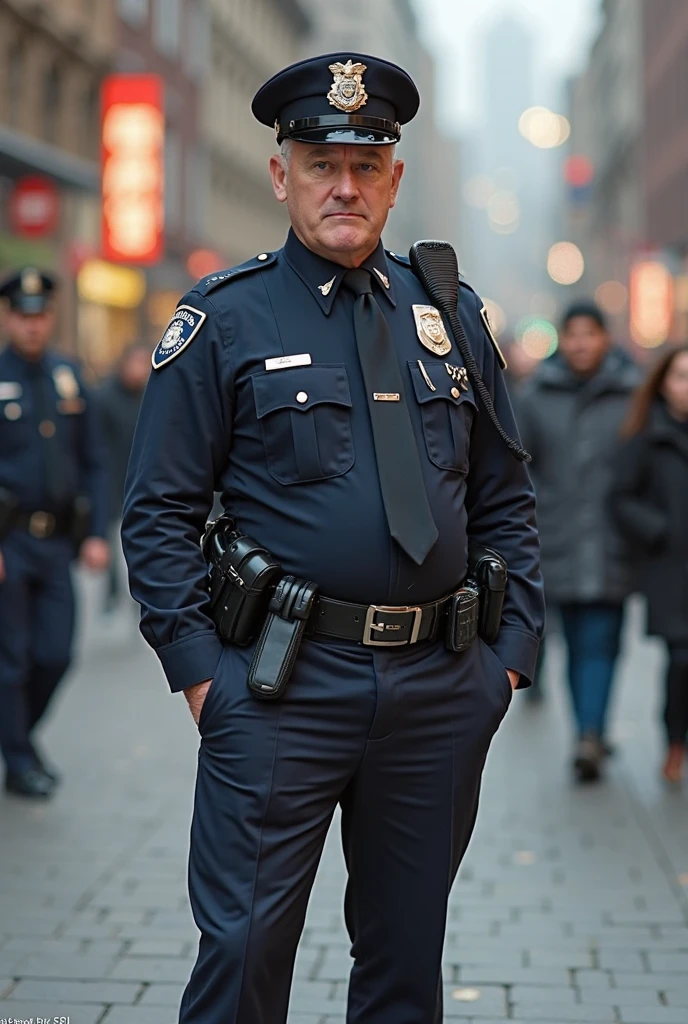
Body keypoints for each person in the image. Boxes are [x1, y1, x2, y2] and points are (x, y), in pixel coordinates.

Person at [122, 53, 543, 1024]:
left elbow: (504, 490)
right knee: (241, 950)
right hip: (277, 686)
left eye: (364, 165)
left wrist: (506, 662)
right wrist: (201, 678)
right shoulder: (224, 319)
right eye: (319, 163)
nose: (342, 186)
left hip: (440, 687)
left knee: (405, 960)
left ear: (394, 178)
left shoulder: (450, 314)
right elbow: (156, 511)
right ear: (282, 176)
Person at [517, 300, 639, 782]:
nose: (581, 343)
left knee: (603, 639)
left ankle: (591, 733)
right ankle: (587, 730)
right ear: (561, 341)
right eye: (573, 335)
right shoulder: (534, 397)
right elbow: (517, 467)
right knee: (574, 637)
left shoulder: (631, 396)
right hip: (556, 537)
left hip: (614, 541)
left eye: (591, 333)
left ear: (605, 339)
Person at [0, 268, 110, 798]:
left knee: (56, 654)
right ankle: (19, 760)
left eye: (40, 316)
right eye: (23, 316)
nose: (33, 326)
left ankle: (16, 740)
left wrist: (95, 535)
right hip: (9, 543)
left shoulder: (68, 376)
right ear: (7, 318)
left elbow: (94, 459)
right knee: (13, 657)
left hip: (58, 543)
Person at [610, 345, 688, 784]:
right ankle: (674, 740)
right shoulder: (646, 435)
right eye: (680, 376)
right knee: (681, 659)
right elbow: (621, 497)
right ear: (663, 383)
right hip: (671, 569)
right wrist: (659, 529)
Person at [95, 343, 150, 612]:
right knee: (114, 544)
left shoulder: (149, 398)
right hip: (113, 483)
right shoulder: (104, 398)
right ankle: (113, 593)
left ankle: (133, 594)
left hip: (141, 485)